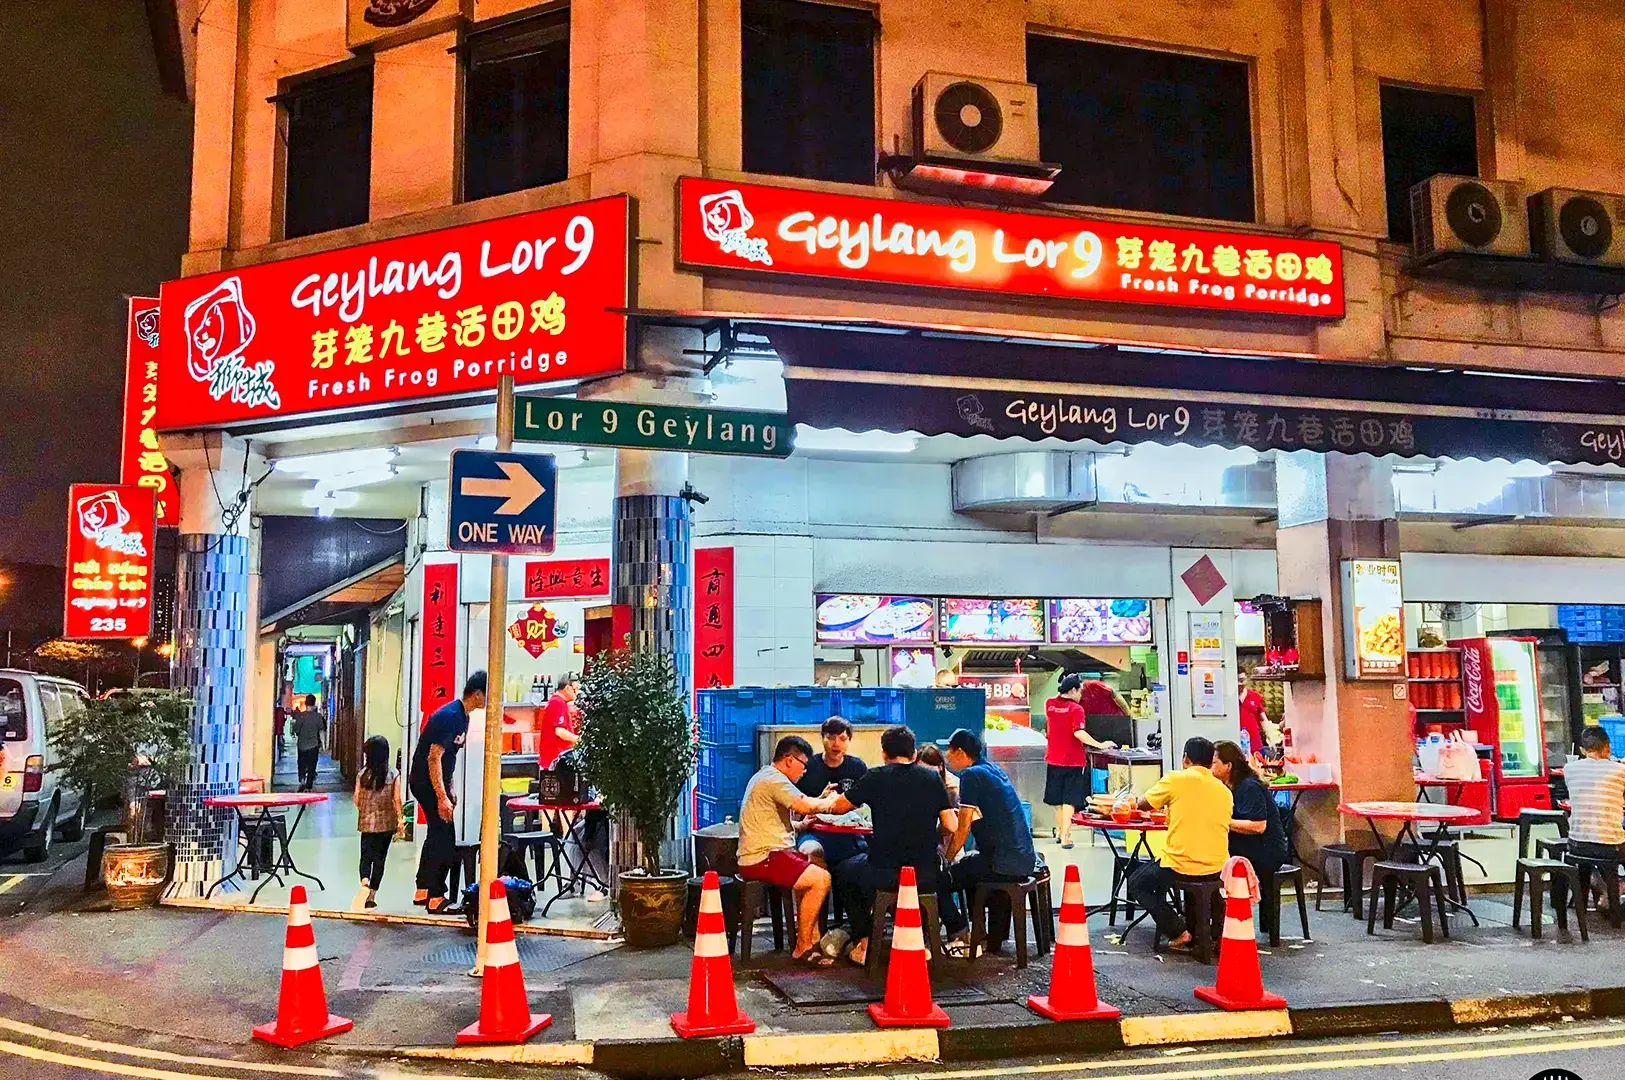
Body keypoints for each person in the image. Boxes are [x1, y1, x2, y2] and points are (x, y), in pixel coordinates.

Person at [825, 725, 967, 967]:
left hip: (883, 873)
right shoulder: (932, 778)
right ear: (914, 754)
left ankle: (864, 941)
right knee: (939, 872)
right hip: (925, 874)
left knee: (844, 872)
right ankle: (932, 940)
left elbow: (839, 807)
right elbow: (951, 825)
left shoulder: (875, 776)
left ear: (884, 753)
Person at [737, 735, 844, 966]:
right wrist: (835, 802)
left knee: (816, 864)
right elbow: (803, 805)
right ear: (789, 760)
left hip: (767, 853)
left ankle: (813, 938)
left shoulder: (764, 776)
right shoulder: (774, 780)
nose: (804, 772)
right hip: (764, 857)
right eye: (803, 765)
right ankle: (802, 946)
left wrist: (802, 825)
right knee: (821, 879)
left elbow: (773, 820)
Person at [1126, 737, 1234, 952]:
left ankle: (1177, 930)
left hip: (1180, 864)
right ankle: (1206, 932)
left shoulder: (1176, 779)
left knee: (1136, 883)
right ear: (1210, 762)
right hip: (1217, 866)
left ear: (1186, 759)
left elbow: (1143, 805)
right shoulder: (1224, 790)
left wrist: (1134, 801)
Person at [941, 729, 1036, 955]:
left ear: (960, 752)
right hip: (1023, 859)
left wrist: (946, 860)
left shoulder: (971, 775)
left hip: (1002, 863)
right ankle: (987, 935)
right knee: (971, 867)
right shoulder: (993, 769)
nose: (947, 756)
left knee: (941, 880)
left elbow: (962, 828)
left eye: (949, 751)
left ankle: (961, 933)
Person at [410, 671, 486, 914]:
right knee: (445, 836)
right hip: (425, 780)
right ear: (477, 694)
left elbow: (449, 759)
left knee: (436, 832)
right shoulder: (449, 716)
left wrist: (449, 788)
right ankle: (436, 896)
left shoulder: (463, 717)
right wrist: (441, 796)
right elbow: (434, 758)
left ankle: (422, 889)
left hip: (435, 781)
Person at [1045, 673, 1118, 849]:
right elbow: (1078, 732)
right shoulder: (1076, 709)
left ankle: (1061, 832)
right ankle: (1065, 837)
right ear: (1073, 690)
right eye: (1079, 691)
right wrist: (1100, 745)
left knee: (1057, 800)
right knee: (1069, 800)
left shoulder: (1049, 704)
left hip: (1053, 759)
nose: (1081, 696)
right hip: (1073, 761)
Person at [794, 717, 869, 867]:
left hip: (850, 834)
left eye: (842, 739)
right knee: (812, 851)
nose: (836, 744)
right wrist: (820, 800)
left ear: (849, 741)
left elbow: (865, 804)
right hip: (814, 833)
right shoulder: (808, 766)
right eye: (831, 738)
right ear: (822, 738)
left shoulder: (858, 767)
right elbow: (794, 807)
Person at [1212, 740, 1286, 878]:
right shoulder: (1227, 787)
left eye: (1213, 763)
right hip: (1249, 847)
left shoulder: (1249, 786)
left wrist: (1222, 822)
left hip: (1266, 853)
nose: (1209, 767)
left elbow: (1259, 826)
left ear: (1228, 766)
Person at [352, 735, 401, 911]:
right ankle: (371, 896)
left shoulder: (362, 775)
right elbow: (397, 799)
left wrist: (365, 809)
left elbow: (356, 799)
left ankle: (364, 881)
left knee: (366, 855)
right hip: (386, 825)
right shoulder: (393, 774)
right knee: (380, 859)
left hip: (366, 823)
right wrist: (400, 820)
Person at [1565, 725, 1625, 869]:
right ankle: (1612, 883)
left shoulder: (1569, 769)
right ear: (1608, 747)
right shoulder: (1620, 770)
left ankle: (1591, 883)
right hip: (1611, 846)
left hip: (1577, 844)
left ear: (1583, 750)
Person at [538, 674, 581, 768]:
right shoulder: (557, 703)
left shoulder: (557, 702)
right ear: (567, 688)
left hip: (554, 759)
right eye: (575, 689)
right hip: (555, 760)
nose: (577, 693)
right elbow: (560, 731)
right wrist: (580, 740)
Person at [290, 695, 324, 792]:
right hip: (314, 745)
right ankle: (309, 785)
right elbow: (321, 731)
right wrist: (323, 745)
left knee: (302, 763)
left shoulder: (300, 716)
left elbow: (296, 730)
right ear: (314, 704)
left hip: (302, 745)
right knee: (312, 765)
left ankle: (302, 780)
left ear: (305, 703)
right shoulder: (318, 717)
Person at [1238, 671, 1267, 758]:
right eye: (1237, 680)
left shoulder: (1255, 696)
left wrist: (1271, 737)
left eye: (1242, 680)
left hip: (1255, 744)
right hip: (1235, 745)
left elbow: (1263, 719)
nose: (1239, 684)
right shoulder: (1227, 698)